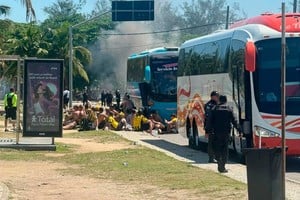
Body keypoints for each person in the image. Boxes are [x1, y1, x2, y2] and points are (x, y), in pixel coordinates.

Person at [206, 95, 241, 173]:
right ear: (226, 101)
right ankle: (222, 166)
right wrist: (239, 130)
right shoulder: (229, 109)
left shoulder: (214, 108)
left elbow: (209, 121)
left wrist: (208, 131)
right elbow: (234, 121)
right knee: (225, 149)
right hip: (226, 133)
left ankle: (219, 162)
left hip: (216, 132)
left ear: (219, 100)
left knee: (217, 148)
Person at [204, 91, 219, 163]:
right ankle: (211, 158)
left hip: (216, 127)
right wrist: (207, 130)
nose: (217, 97)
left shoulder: (217, 104)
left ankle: (216, 157)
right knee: (211, 143)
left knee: (216, 143)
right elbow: (208, 119)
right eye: (216, 96)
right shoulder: (209, 105)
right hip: (211, 127)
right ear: (213, 97)